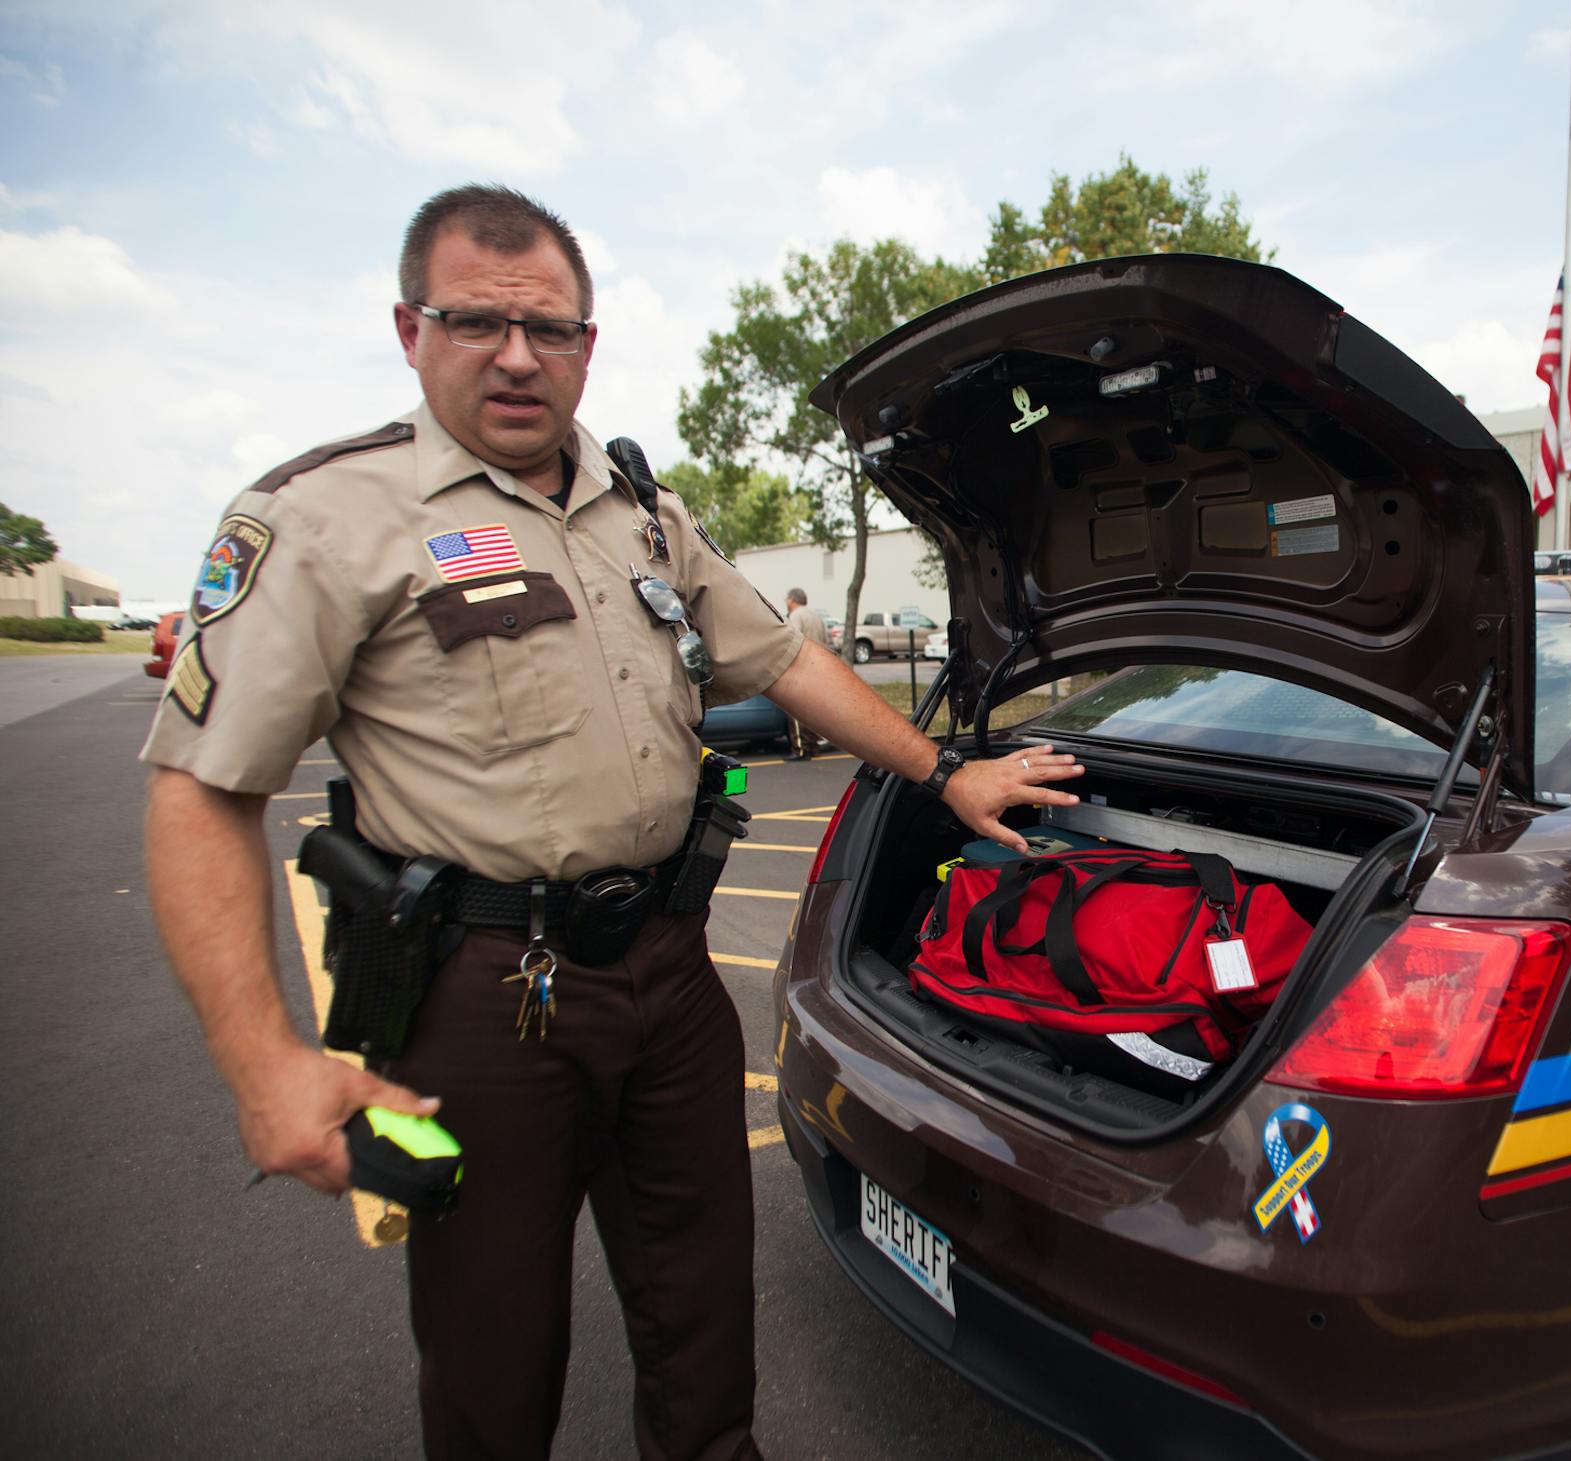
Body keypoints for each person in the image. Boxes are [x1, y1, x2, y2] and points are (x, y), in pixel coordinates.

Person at [140, 183, 1083, 1461]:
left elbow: (782, 661)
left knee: (703, 1310)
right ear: (409, 328)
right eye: (477, 321)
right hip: (483, 998)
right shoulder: (323, 517)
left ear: (591, 344)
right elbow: (205, 786)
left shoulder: (641, 506)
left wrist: (944, 770)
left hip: (669, 971)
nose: (519, 356)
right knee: (492, 1345)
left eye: (554, 330)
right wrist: (265, 1068)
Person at [780, 589, 828, 758]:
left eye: (787, 598)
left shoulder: (796, 616)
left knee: (795, 710)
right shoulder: (816, 618)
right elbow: (825, 642)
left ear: (792, 599)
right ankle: (813, 746)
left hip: (802, 666)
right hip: (819, 666)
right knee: (813, 710)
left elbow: (792, 639)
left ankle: (799, 749)